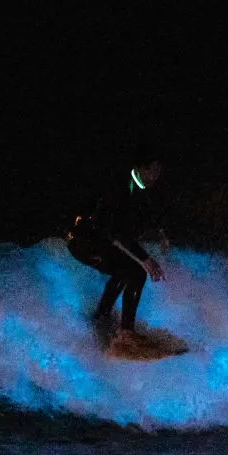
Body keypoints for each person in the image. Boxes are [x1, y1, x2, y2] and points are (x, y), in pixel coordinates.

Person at [67, 147, 170, 348]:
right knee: (136, 273)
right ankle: (126, 332)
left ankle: (101, 317)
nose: (156, 176)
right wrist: (146, 259)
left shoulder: (137, 188)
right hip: (83, 243)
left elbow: (146, 215)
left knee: (126, 271)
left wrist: (160, 234)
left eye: (159, 171)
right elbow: (117, 232)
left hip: (97, 241)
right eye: (153, 170)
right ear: (140, 168)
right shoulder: (121, 188)